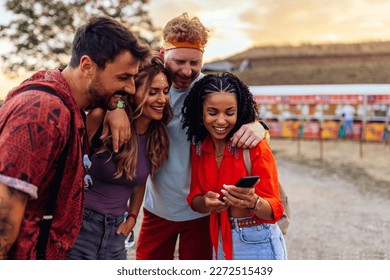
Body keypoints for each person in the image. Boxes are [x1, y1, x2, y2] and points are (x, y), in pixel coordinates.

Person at [104, 13, 267, 260]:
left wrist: (260, 126)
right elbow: (109, 90)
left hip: (203, 208)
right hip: (158, 208)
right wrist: (114, 108)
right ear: (162, 53)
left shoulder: (210, 91)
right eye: (179, 61)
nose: (187, 71)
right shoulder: (148, 85)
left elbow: (239, 114)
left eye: (195, 63)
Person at [0, 16, 149, 259]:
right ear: (87, 66)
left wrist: (117, 106)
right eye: (123, 78)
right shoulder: (44, 111)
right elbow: (4, 218)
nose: (131, 88)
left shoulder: (66, 100)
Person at [68, 55, 172, 260]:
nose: (161, 99)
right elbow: (70, 160)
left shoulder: (157, 136)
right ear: (132, 92)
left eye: (165, 92)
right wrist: (117, 107)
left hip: (117, 232)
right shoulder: (101, 118)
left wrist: (132, 218)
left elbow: (138, 181)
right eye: (153, 92)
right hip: (81, 226)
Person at [181, 72, 287, 260]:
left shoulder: (254, 146)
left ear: (239, 112)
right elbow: (194, 199)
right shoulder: (199, 148)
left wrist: (253, 202)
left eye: (230, 113)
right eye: (212, 112)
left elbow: (275, 209)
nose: (221, 121)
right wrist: (206, 202)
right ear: (201, 111)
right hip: (219, 239)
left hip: (258, 240)